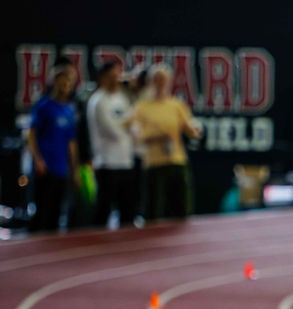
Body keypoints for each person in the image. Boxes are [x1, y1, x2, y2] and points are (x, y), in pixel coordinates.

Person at [131, 64, 201, 222]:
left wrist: (195, 131)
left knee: (182, 208)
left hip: (176, 160)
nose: (161, 83)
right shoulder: (142, 107)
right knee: (153, 210)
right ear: (150, 82)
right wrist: (157, 136)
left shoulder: (176, 105)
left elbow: (190, 128)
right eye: (157, 80)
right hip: (154, 163)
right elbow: (137, 135)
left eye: (163, 79)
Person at [27, 64, 80, 232]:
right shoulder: (44, 106)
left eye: (68, 84)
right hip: (45, 168)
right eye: (62, 83)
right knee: (41, 211)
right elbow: (32, 134)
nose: (65, 87)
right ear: (54, 84)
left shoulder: (69, 110)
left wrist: (74, 169)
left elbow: (71, 143)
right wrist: (38, 159)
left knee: (56, 214)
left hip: (61, 169)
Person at [87, 60, 138, 227]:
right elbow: (112, 131)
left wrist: (127, 125)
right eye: (111, 76)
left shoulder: (123, 98)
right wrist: (127, 124)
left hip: (125, 161)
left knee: (128, 211)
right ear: (103, 78)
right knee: (103, 210)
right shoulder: (98, 100)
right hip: (106, 163)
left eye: (117, 75)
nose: (116, 79)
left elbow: (135, 125)